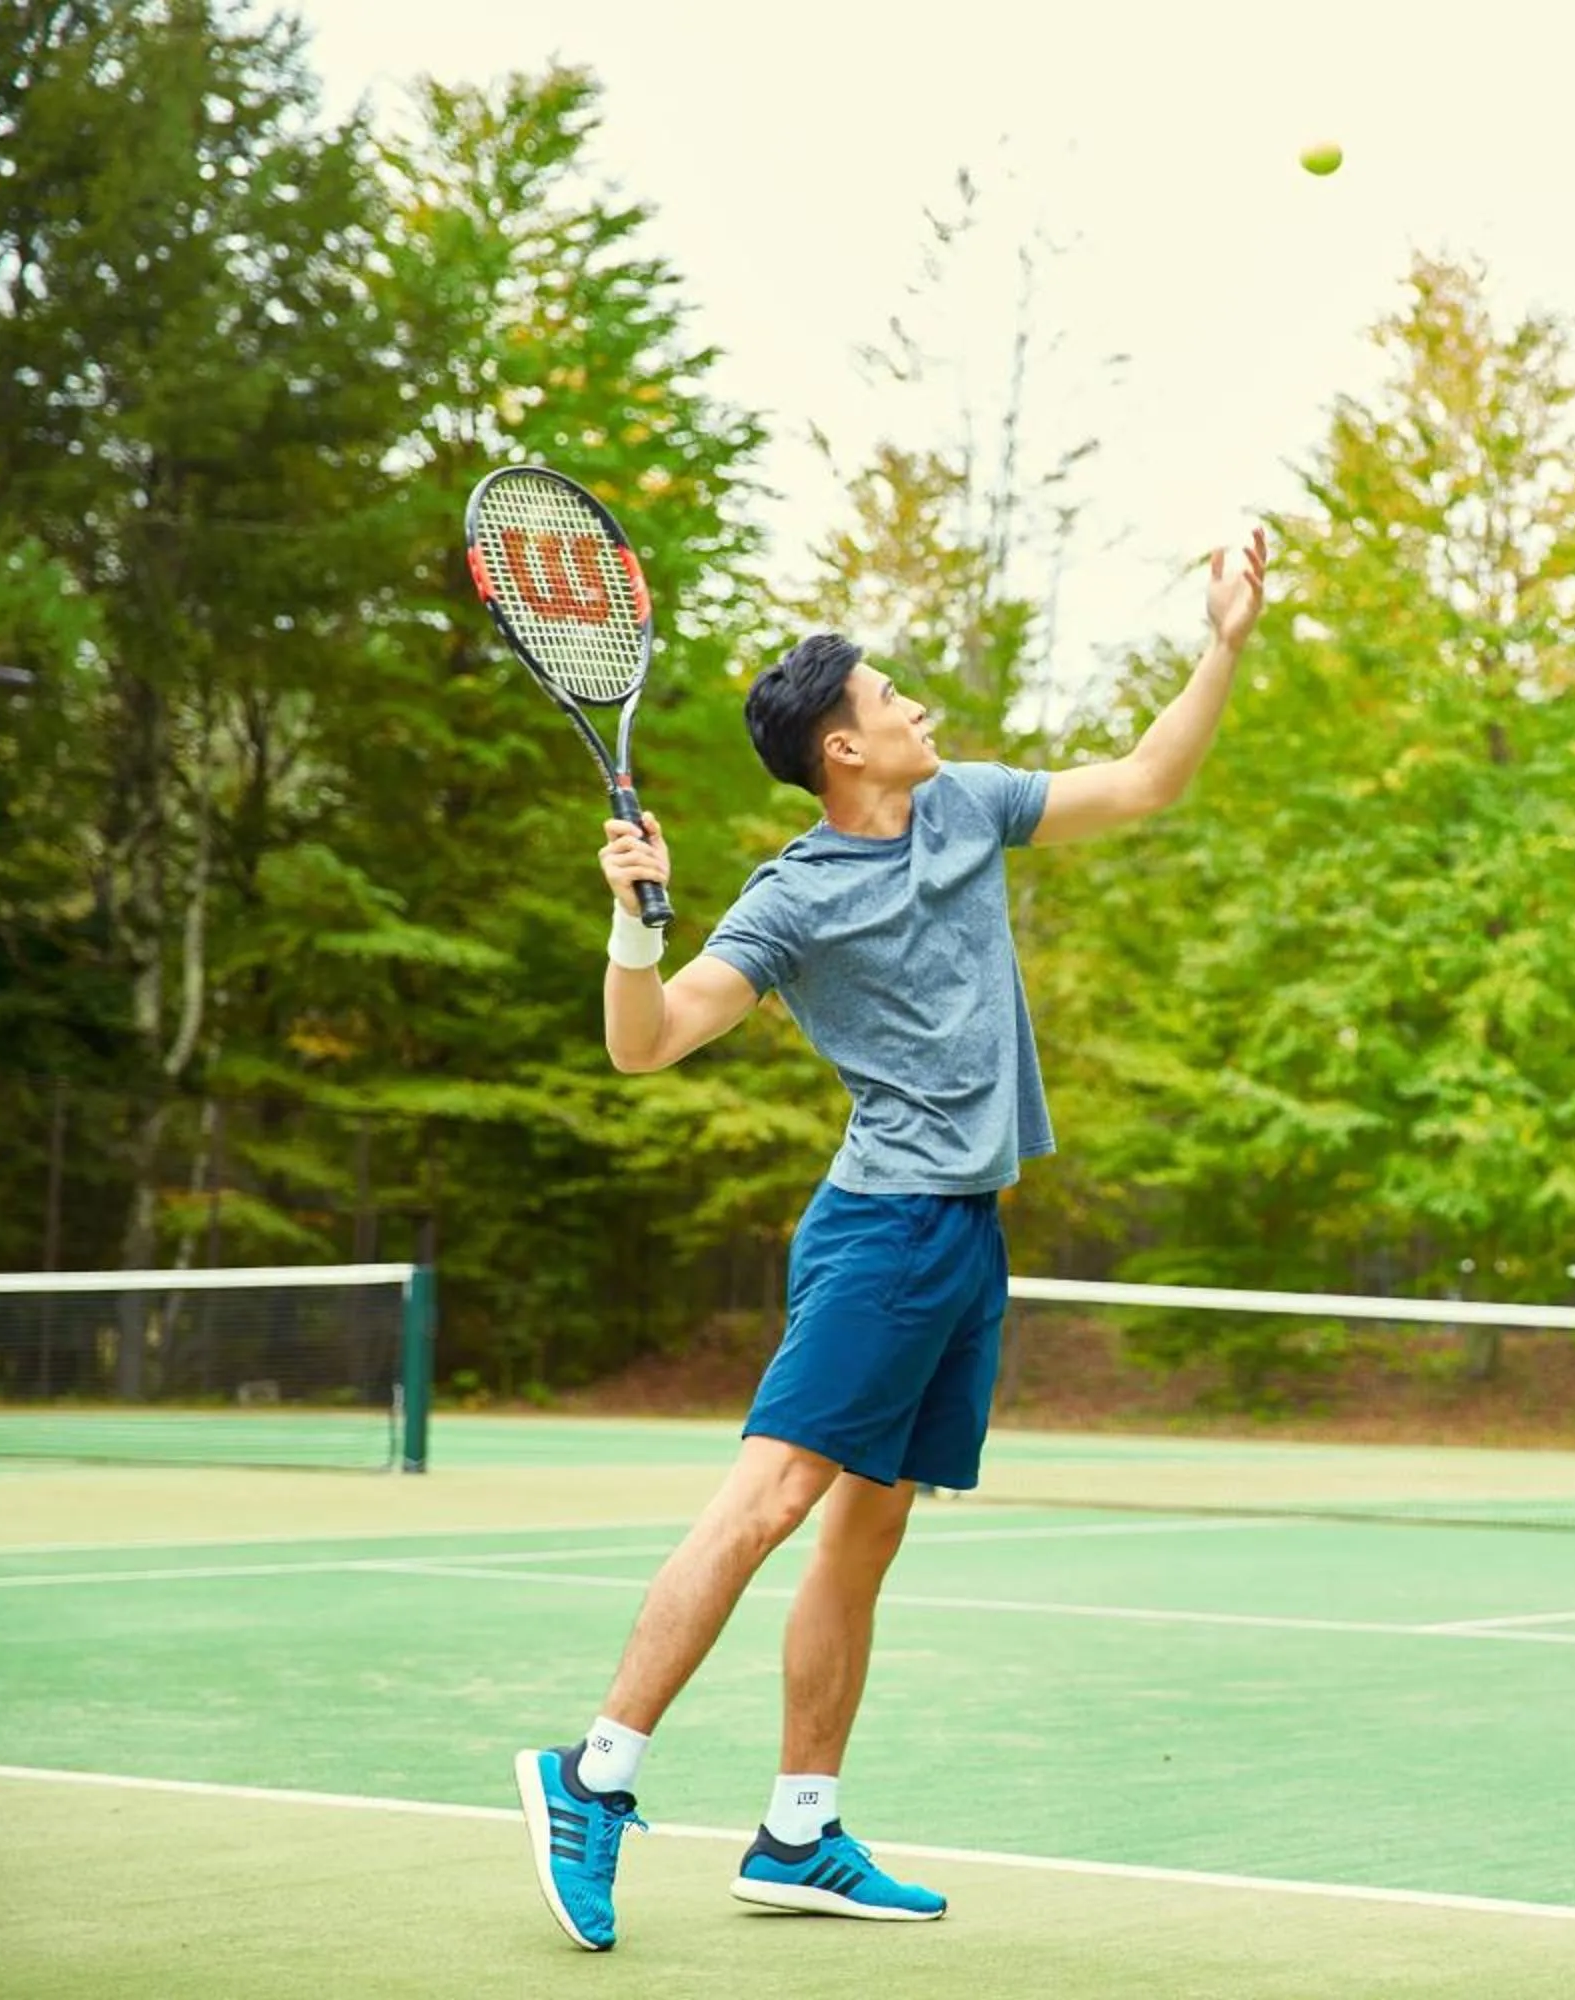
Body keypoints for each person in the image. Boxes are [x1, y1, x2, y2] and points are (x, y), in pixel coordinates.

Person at [514, 534, 1268, 1952]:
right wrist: (629, 930)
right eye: (894, 694)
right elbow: (650, 1044)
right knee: (770, 1502)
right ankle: (591, 1771)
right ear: (844, 747)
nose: (921, 706)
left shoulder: (971, 808)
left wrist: (1222, 640)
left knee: (864, 1536)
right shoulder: (790, 898)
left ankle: (799, 1828)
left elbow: (1149, 781)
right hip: (877, 1232)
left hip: (965, 1237)